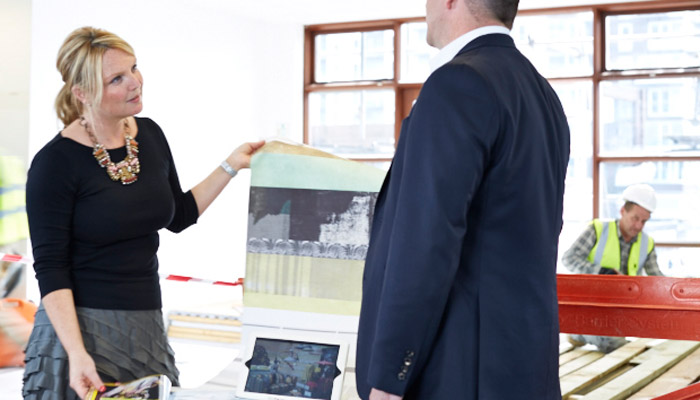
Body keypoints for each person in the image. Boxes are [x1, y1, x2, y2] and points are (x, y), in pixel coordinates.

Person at [22, 26, 264, 400]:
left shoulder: (149, 134)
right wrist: (77, 353)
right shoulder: (55, 163)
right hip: (80, 334)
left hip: (146, 325)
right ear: (82, 93)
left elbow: (179, 215)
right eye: (117, 79)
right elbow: (51, 268)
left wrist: (231, 165)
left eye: (133, 68)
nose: (135, 82)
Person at [355, 0, 570, 399]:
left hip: (458, 371)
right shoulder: (542, 95)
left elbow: (425, 240)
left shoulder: (457, 83)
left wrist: (388, 377)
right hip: (522, 369)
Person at [562, 183, 662, 352]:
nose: (639, 226)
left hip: (622, 312)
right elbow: (569, 258)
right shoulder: (598, 230)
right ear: (623, 211)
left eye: (644, 221)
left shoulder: (647, 243)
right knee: (614, 343)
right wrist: (602, 272)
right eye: (635, 218)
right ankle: (579, 333)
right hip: (592, 309)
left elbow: (656, 278)